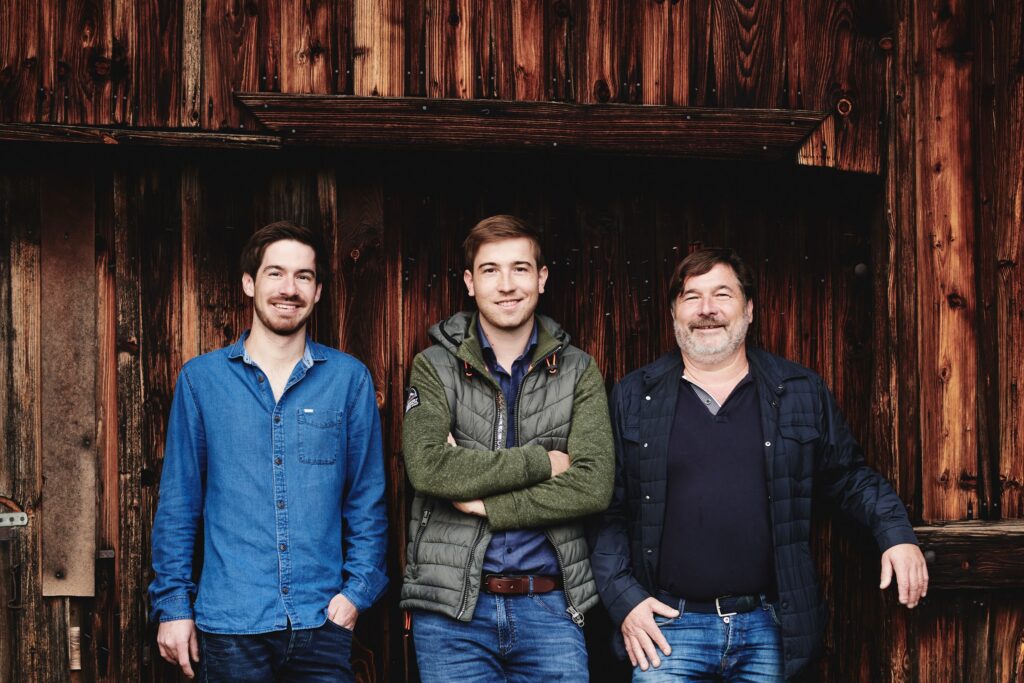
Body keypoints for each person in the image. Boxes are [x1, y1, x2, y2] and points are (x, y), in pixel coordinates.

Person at [591, 247, 928, 681]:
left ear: (748, 310)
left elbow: (849, 478)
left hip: (767, 629)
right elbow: (607, 511)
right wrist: (625, 601)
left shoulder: (798, 390)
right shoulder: (635, 395)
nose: (707, 310)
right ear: (674, 312)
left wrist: (897, 535)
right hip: (667, 632)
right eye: (691, 297)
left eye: (722, 295)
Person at [148, 221, 388, 682]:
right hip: (231, 625)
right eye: (275, 273)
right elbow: (179, 504)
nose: (289, 288)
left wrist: (357, 593)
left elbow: (367, 499)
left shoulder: (349, 380)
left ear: (317, 292)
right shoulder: (202, 382)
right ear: (248, 283)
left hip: (323, 622)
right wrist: (174, 606)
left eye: (303, 277)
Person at [400, 214, 614, 681]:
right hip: (452, 610)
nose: (507, 284)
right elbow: (430, 468)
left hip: (551, 607)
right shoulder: (434, 366)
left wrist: (484, 504)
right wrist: (544, 462)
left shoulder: (579, 370)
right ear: (470, 282)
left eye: (520, 268)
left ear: (541, 278)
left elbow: (594, 485)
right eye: (490, 270)